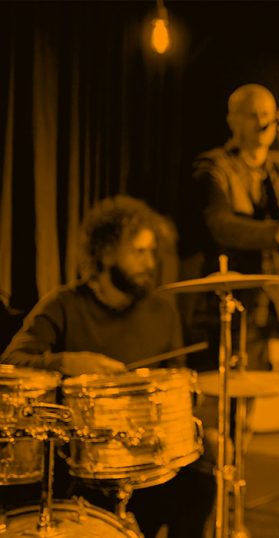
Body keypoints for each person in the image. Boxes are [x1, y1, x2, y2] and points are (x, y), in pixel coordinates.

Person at [1, 195, 215, 538]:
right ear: (104, 252)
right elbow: (10, 363)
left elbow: (178, 377)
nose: (150, 262)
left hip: (149, 459)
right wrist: (68, 362)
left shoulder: (163, 310)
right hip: (81, 462)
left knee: (202, 484)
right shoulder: (63, 304)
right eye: (138, 252)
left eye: (151, 251)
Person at [181, 83, 279, 375]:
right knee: (245, 388)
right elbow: (221, 225)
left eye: (267, 114)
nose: (262, 122)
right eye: (252, 114)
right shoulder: (213, 167)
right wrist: (278, 231)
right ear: (232, 121)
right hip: (240, 301)